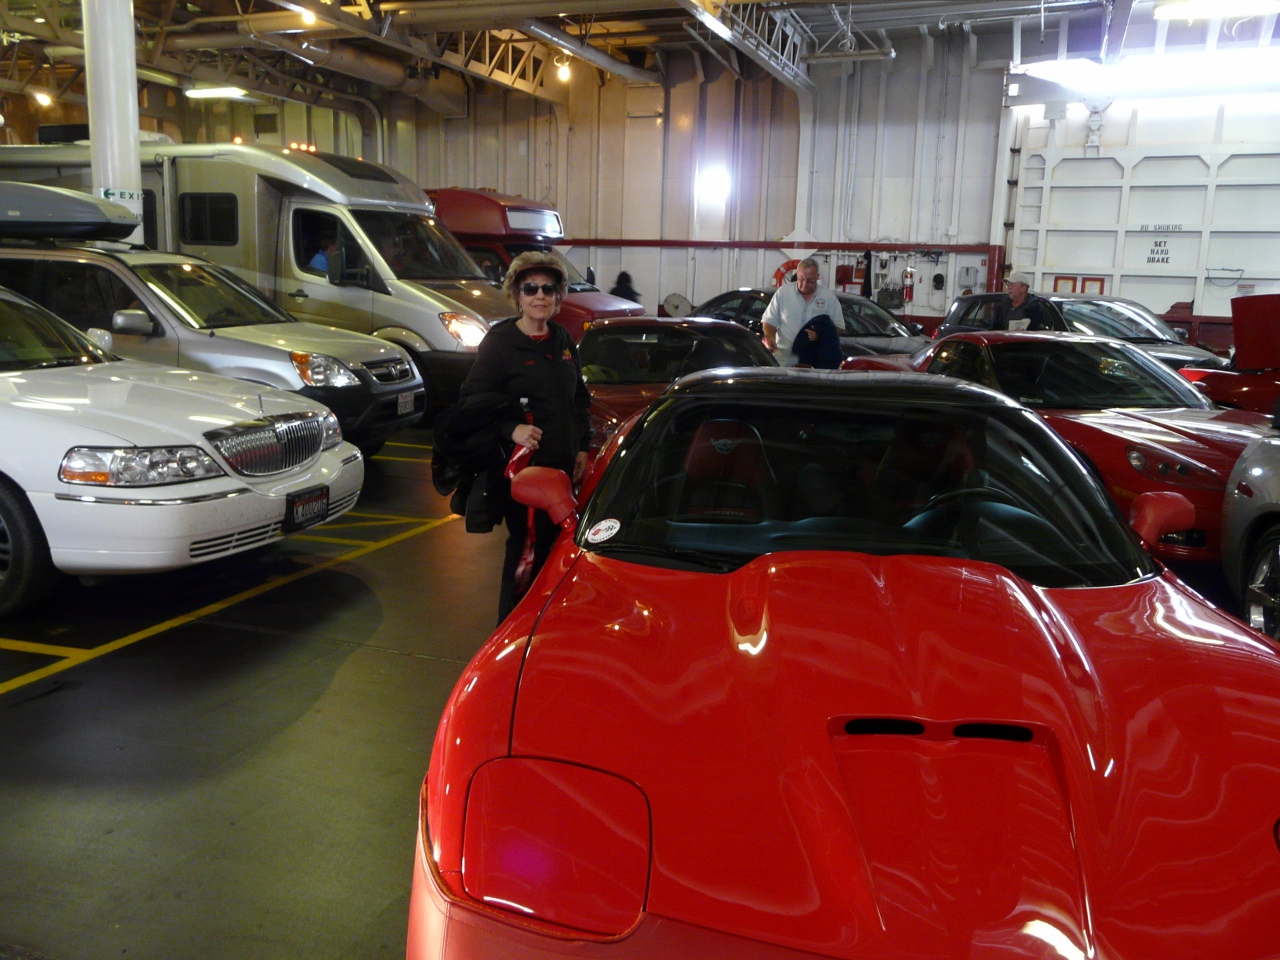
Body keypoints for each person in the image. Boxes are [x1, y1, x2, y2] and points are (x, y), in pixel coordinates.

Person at [460, 250, 591, 623]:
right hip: (527, 477)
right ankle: (512, 631)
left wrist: (582, 444)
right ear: (517, 294)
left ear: (558, 295)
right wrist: (510, 428)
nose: (540, 296)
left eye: (548, 289)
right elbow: (471, 400)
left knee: (556, 555)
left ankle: (545, 628)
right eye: (530, 288)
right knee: (526, 554)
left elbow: (578, 397)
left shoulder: (562, 338)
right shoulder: (501, 343)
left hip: (564, 471)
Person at [760, 257, 840, 367]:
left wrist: (821, 335)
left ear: (817, 277)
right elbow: (769, 320)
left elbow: (838, 327)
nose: (804, 284)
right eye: (801, 279)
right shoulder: (783, 293)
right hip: (784, 359)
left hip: (815, 360)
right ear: (797, 274)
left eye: (810, 281)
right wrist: (769, 337)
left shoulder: (828, 297)